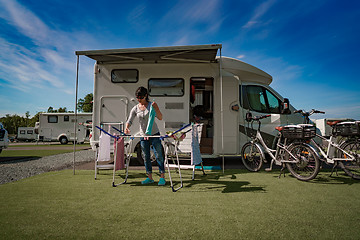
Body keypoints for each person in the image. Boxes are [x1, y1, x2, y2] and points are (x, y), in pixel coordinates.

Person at [124, 86, 166, 185]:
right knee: (146, 156)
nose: (139, 100)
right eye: (137, 98)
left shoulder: (152, 105)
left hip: (154, 134)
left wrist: (156, 108)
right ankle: (150, 177)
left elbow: (160, 117)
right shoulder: (135, 108)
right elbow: (129, 120)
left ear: (145, 96)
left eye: (141, 98)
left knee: (159, 155)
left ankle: (162, 177)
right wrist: (127, 127)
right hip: (143, 135)